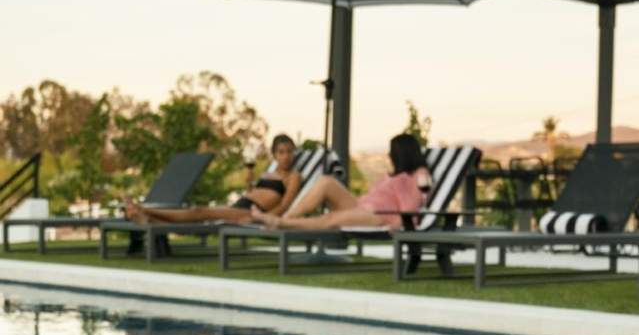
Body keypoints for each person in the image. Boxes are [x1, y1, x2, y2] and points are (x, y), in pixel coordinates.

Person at [250, 133, 431, 231]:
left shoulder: (419, 174)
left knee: (331, 219)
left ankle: (281, 224)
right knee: (326, 181)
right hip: (362, 206)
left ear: (401, 153)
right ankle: (286, 218)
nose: (389, 156)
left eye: (392, 152)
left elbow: (415, 204)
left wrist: (399, 224)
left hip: (379, 215)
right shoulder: (396, 174)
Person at [125, 134, 302, 226]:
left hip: (253, 213)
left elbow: (285, 205)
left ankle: (145, 210)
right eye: (282, 152)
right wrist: (249, 183)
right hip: (241, 205)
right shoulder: (267, 172)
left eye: (290, 151)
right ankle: (150, 220)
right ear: (274, 154)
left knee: (199, 212)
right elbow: (252, 194)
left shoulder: (293, 176)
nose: (287, 156)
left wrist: (264, 219)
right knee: (198, 216)